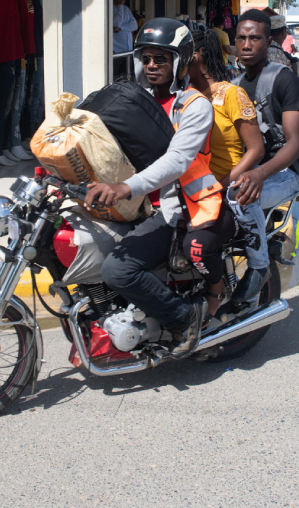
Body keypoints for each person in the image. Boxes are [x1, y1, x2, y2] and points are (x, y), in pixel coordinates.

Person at [88, 18, 236, 357]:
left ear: (180, 61)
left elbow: (177, 161)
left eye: (162, 59)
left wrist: (125, 187)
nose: (152, 66)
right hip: (135, 206)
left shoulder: (194, 105)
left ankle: (183, 318)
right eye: (147, 59)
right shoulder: (134, 101)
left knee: (118, 269)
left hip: (177, 209)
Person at [187, 28, 267, 323]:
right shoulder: (186, 96)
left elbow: (256, 149)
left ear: (199, 55)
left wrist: (222, 184)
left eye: (183, 51)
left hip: (225, 192)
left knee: (199, 245)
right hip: (195, 191)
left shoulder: (232, 94)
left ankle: (214, 300)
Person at [229, 8, 299, 301]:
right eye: (241, 38)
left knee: (241, 195)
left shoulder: (284, 79)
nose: (247, 44)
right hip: (252, 169)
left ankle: (259, 267)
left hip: (286, 173)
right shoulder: (234, 86)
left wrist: (261, 173)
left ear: (268, 41)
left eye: (255, 38)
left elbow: (294, 143)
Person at [112, 0, 138, 77]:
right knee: (115, 78)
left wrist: (121, 28)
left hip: (128, 51)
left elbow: (134, 25)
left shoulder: (126, 9)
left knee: (127, 78)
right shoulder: (110, 8)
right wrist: (119, 7)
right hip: (116, 51)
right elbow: (116, 24)